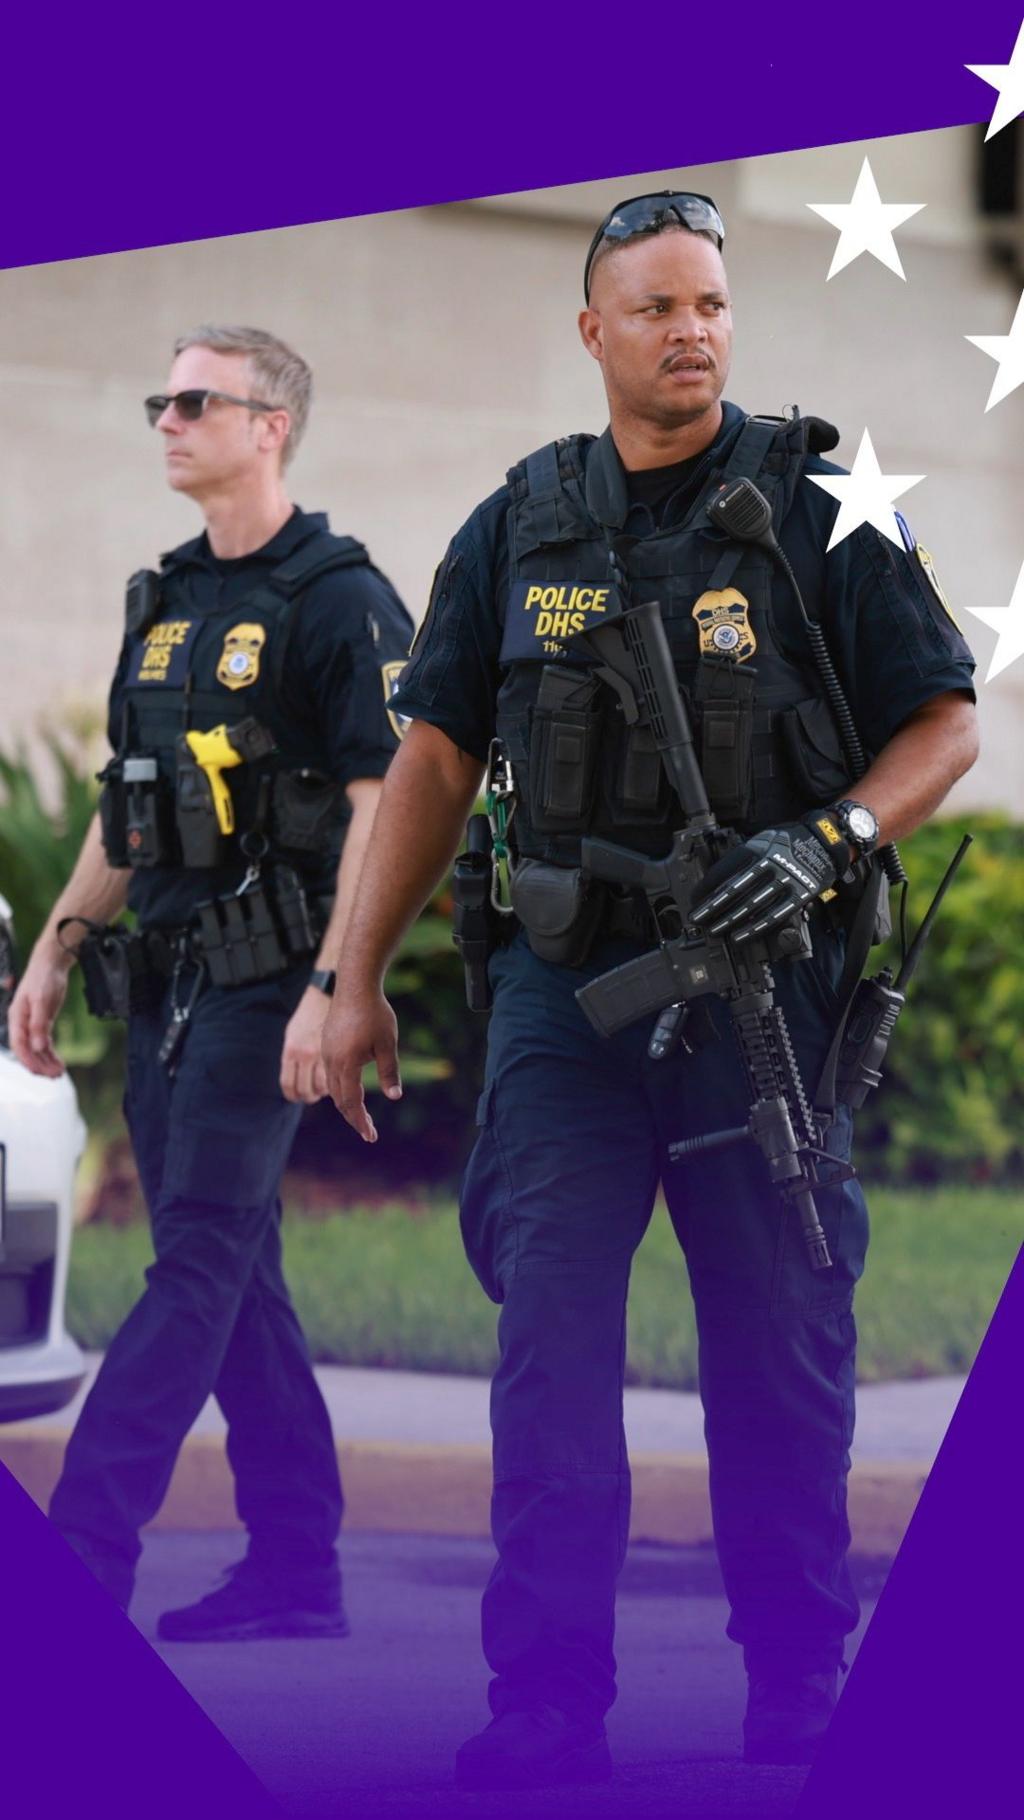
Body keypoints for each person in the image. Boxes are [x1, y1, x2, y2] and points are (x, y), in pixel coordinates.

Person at [321, 195, 979, 1784]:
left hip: (767, 986)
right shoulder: (520, 525)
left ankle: (796, 1674)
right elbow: (430, 760)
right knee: (548, 1340)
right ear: (594, 331)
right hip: (567, 993)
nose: (693, 329)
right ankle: (546, 1701)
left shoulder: (821, 499)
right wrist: (347, 982)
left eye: (713, 303)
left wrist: (827, 840)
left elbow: (943, 724)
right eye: (659, 306)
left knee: (777, 1334)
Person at [10, 323, 412, 1639]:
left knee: (191, 1262)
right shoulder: (168, 597)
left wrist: (339, 985)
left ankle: (85, 1559)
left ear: (269, 424)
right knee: (240, 1277)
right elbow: (129, 814)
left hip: (275, 979)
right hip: (168, 979)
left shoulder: (340, 598)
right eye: (160, 402)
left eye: (195, 401)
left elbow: (386, 807)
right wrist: (56, 946)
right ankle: (300, 1573)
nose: (168, 421)